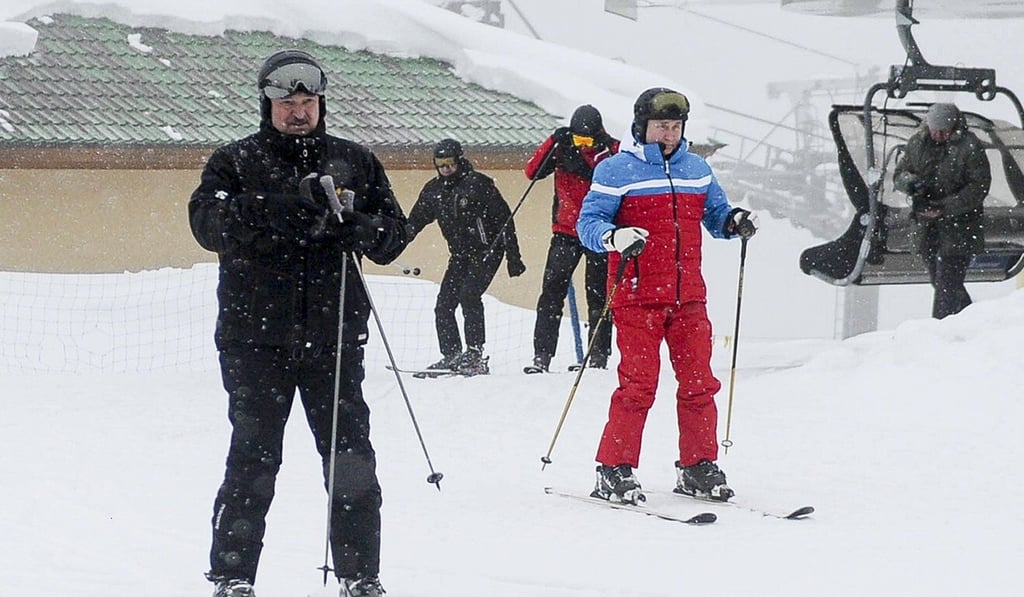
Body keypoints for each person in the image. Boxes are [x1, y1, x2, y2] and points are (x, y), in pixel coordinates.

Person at [189, 49, 407, 597]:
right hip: (253, 338)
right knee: (253, 459)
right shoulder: (233, 162)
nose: (297, 111)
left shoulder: (355, 160)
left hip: (334, 338)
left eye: (307, 101)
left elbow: (394, 235)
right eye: (286, 102)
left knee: (351, 460)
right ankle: (233, 576)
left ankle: (361, 577)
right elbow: (208, 223)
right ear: (267, 105)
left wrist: (355, 226)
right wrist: (281, 207)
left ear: (320, 103)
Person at [576, 87, 758, 505]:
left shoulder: (696, 168)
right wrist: (614, 236)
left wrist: (735, 222)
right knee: (639, 386)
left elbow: (715, 215)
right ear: (642, 126)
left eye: (675, 127)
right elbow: (589, 224)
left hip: (688, 295)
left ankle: (697, 466)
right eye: (661, 126)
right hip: (637, 293)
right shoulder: (615, 170)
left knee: (699, 384)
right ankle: (614, 468)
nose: (669, 135)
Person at [406, 138, 527, 375]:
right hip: (460, 255)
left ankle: (474, 353)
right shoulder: (434, 191)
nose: (445, 169)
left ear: (460, 160)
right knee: (444, 304)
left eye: (450, 163)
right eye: (440, 164)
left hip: (487, 251)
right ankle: (451, 354)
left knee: (469, 295)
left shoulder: (479, 184)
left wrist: (514, 257)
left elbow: (504, 220)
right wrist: (393, 244)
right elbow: (415, 222)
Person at [524, 105, 619, 373]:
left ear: (598, 135)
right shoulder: (562, 147)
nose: (583, 146)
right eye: (578, 140)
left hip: (600, 233)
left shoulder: (612, 151)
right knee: (551, 294)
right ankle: (541, 356)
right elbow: (532, 172)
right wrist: (554, 140)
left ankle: (597, 356)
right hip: (565, 232)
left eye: (588, 141)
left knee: (599, 296)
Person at [893, 102, 991, 319]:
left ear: (954, 127)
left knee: (947, 283)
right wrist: (911, 184)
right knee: (941, 281)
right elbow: (900, 173)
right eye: (934, 130)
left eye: (944, 131)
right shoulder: (917, 143)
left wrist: (946, 207)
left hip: (960, 228)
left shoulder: (969, 147)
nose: (938, 135)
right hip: (928, 227)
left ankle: (939, 330)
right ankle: (972, 319)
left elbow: (979, 187)